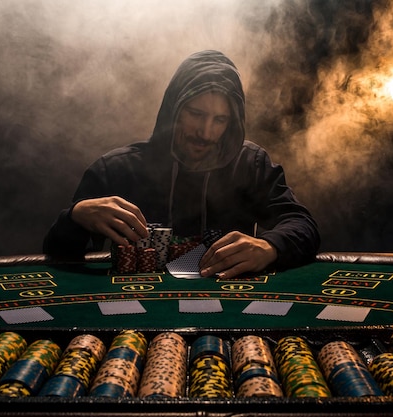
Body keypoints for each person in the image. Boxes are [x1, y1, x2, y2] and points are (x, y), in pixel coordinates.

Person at [44, 50, 320, 278]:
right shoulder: (116, 169)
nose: (206, 132)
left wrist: (269, 246)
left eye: (220, 120)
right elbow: (57, 252)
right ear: (174, 108)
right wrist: (76, 216)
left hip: (227, 311)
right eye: (196, 114)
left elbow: (301, 224)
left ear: (232, 123)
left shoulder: (251, 164)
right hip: (138, 312)